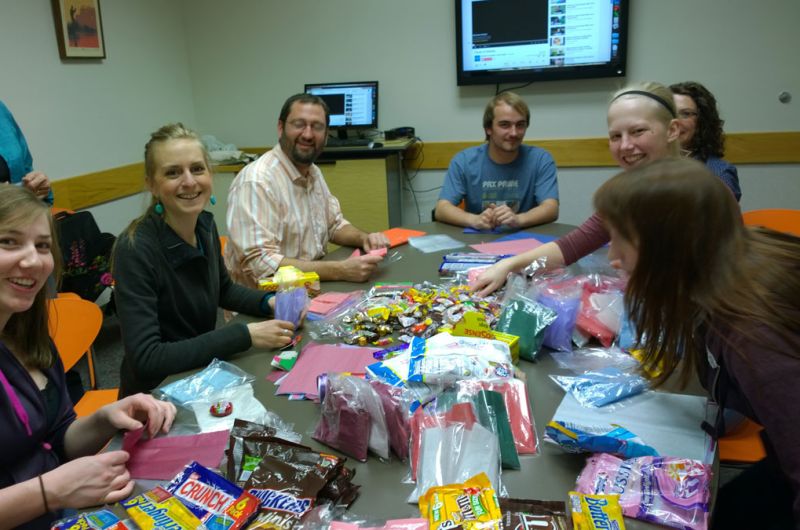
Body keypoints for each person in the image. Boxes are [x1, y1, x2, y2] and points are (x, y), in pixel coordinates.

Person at [594, 157, 800, 529]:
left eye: (622, 241)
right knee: (731, 508)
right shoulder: (729, 260)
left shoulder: (750, 334)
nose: (613, 258)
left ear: (666, 247)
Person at [0, 185, 177, 529]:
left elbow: (56, 437)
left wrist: (105, 419)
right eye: (8, 241)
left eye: (42, 245)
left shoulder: (29, 336)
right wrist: (51, 490)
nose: (33, 260)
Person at [113, 124, 296, 397]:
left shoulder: (204, 227)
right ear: (152, 184)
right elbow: (147, 358)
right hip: (156, 396)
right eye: (173, 172)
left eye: (197, 169)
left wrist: (269, 302)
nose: (189, 181)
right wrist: (243, 336)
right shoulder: (135, 248)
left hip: (200, 374)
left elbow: (223, 289)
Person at [473, 82, 680, 296]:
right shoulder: (627, 197)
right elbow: (571, 246)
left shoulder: (696, 197)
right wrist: (506, 266)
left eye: (638, 131)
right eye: (616, 136)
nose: (626, 145)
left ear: (672, 130)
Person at [225, 93, 390, 287]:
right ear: (280, 128)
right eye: (299, 124)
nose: (308, 134)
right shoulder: (257, 181)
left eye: (317, 126)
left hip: (309, 291)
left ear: (326, 135)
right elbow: (260, 264)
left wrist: (365, 238)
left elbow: (333, 225)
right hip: (266, 305)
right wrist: (340, 270)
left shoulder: (312, 172)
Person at [434, 92, 559, 231]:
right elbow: (442, 208)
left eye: (520, 125)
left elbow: (551, 208)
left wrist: (518, 219)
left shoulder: (541, 160)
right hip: (478, 242)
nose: (514, 133)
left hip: (527, 241)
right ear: (488, 128)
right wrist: (474, 220)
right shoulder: (464, 161)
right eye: (505, 125)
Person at [670, 81, 741, 201]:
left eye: (685, 114)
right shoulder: (651, 164)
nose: (675, 122)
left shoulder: (718, 172)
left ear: (703, 122)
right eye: (670, 113)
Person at [0, 100, 53, 203]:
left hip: (24, 213)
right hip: (11, 216)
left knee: (84, 218)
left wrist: (39, 187)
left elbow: (26, 170)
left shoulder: (1, 112)